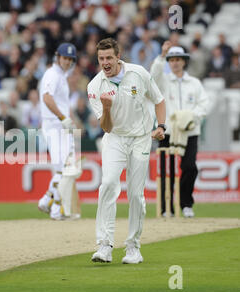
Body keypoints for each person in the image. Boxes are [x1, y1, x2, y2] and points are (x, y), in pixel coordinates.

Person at [87, 38, 166, 264]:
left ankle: (133, 248)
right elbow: (106, 127)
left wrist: (161, 126)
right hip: (114, 138)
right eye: (101, 58)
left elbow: (159, 100)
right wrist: (107, 108)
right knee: (109, 184)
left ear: (118, 56)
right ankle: (104, 245)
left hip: (141, 138)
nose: (105, 63)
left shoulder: (138, 73)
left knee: (135, 194)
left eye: (109, 57)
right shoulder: (95, 86)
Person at [150, 41, 209, 218]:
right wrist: (161, 56)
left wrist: (190, 118)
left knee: (190, 167)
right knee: (166, 170)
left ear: (184, 61)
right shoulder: (164, 81)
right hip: (167, 131)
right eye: (171, 59)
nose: (175, 62)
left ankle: (186, 204)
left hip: (189, 132)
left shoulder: (194, 83)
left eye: (178, 59)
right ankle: (165, 207)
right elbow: (153, 75)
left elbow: (204, 105)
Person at [37, 42, 78, 221]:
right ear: (57, 56)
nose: (67, 61)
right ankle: (55, 208)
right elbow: (47, 98)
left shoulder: (60, 75)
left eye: (70, 59)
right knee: (64, 168)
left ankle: (47, 200)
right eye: (65, 58)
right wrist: (63, 118)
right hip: (55, 126)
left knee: (64, 167)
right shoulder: (53, 74)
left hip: (59, 125)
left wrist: (66, 118)